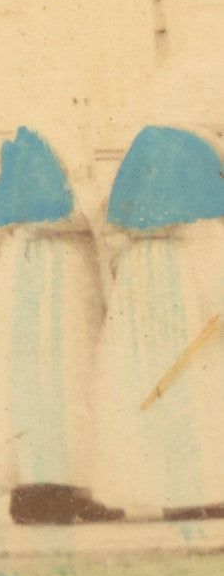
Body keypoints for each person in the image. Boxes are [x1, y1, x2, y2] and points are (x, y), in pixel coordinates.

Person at [0, 126, 122, 526]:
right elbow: (86, 214)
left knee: (36, 387)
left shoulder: (14, 202)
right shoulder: (68, 202)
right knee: (67, 382)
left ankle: (43, 490)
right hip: (63, 286)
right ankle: (63, 487)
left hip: (29, 288)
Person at [87, 125, 224, 519]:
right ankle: (200, 489)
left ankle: (167, 492)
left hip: (143, 313)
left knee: (153, 392)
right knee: (197, 396)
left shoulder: (135, 243)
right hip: (191, 317)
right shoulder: (199, 228)